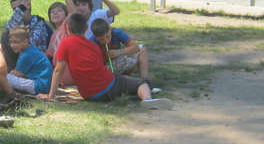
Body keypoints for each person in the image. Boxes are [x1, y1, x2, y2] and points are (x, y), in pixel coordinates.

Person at [39, 13, 170, 109]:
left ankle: (136, 94)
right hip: (109, 84)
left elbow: (58, 70)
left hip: (90, 95)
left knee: (124, 86)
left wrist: (50, 95)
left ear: (68, 29)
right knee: (139, 83)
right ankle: (147, 99)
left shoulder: (65, 43)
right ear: (86, 28)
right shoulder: (93, 46)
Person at [1, 0, 54, 70]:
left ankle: (13, 71)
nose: (17, 12)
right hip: (21, 57)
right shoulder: (17, 22)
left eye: (20, 7)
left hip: (37, 59)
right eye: (15, 9)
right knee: (5, 36)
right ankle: (10, 70)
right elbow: (7, 30)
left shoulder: (39, 22)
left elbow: (31, 44)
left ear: (28, 6)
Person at [7, 26, 53, 95]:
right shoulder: (31, 49)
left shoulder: (26, 55)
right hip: (44, 85)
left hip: (39, 86)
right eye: (11, 42)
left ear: (25, 41)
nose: (12, 45)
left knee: (6, 78)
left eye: (16, 42)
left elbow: (18, 74)